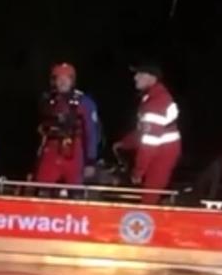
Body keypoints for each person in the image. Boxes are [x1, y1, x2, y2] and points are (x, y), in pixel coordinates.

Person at [117, 61, 182, 203]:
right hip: (160, 151)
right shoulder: (151, 98)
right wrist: (124, 143)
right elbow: (143, 131)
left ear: (151, 78)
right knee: (149, 193)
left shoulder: (156, 102)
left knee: (149, 196)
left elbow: (150, 142)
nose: (135, 78)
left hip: (162, 154)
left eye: (139, 74)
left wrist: (138, 171)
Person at [34, 62, 102, 187]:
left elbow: (91, 132)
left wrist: (90, 161)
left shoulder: (84, 102)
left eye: (66, 78)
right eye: (59, 78)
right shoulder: (47, 101)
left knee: (75, 191)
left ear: (72, 80)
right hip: (51, 151)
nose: (62, 82)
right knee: (42, 188)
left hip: (74, 152)